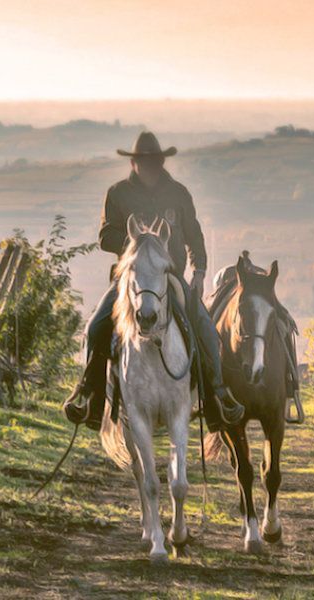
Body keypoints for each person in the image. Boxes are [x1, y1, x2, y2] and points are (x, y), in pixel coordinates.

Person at [63, 131, 245, 432]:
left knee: (207, 331)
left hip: (170, 277)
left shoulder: (179, 194)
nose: (151, 166)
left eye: (155, 161)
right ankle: (89, 395)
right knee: (96, 326)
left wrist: (199, 272)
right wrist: (140, 244)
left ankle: (217, 396)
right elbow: (105, 236)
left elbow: (195, 237)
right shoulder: (118, 193)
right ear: (133, 163)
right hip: (130, 280)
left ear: (161, 161)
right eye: (144, 161)